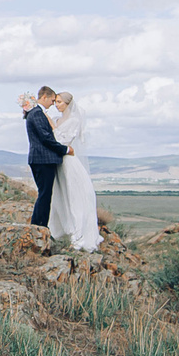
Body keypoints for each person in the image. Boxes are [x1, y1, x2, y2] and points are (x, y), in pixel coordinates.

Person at [46, 92, 101, 252]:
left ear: (68, 103)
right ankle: (61, 229)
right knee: (60, 195)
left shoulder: (74, 120)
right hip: (58, 163)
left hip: (68, 162)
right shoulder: (57, 119)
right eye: (55, 102)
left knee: (74, 196)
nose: (57, 105)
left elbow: (63, 141)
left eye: (59, 102)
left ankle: (78, 232)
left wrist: (53, 127)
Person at [19, 88, 70, 230]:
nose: (53, 104)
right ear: (45, 97)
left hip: (42, 159)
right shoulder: (37, 114)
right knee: (45, 194)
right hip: (43, 160)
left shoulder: (35, 113)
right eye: (53, 100)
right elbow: (46, 138)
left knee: (45, 193)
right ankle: (39, 226)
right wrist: (64, 149)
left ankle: (40, 226)